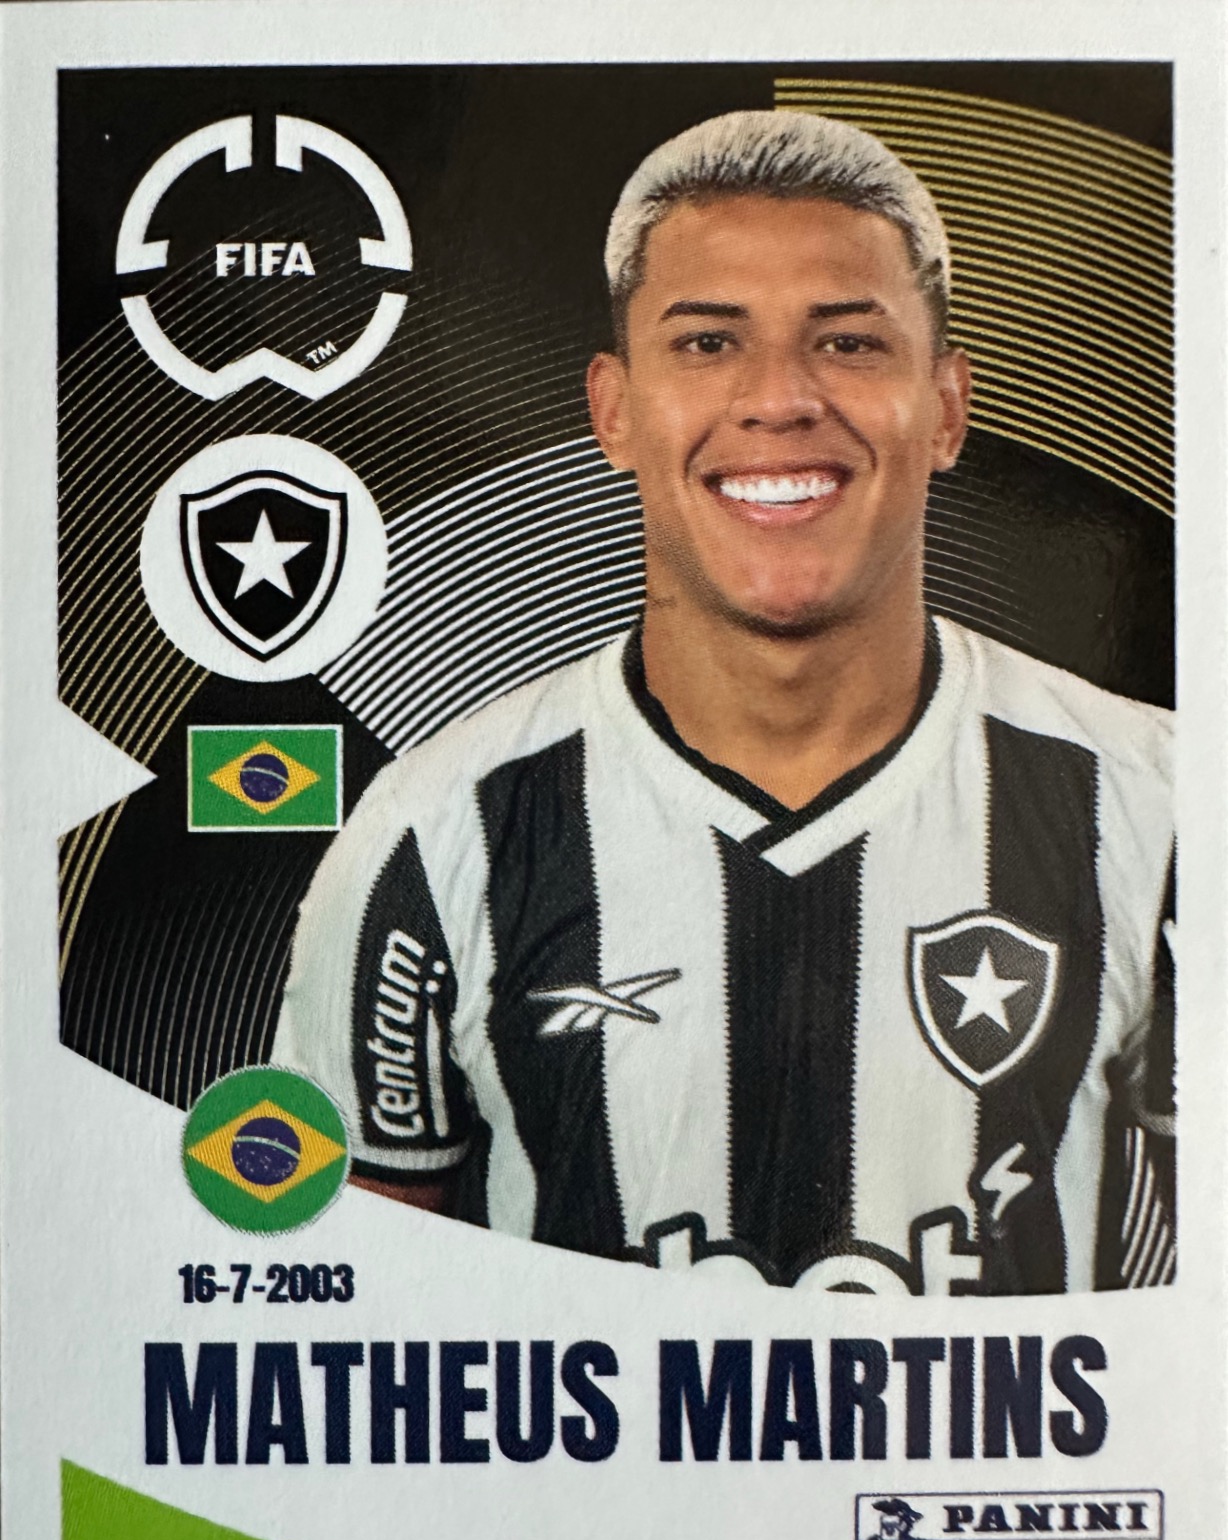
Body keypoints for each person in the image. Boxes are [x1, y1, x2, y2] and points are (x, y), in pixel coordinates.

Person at [274, 110, 1174, 1296]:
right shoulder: (438, 833)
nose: (779, 398)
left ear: (946, 406)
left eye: (848, 343)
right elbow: (338, 1310)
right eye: (706, 343)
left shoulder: (1160, 808)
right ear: (614, 410)